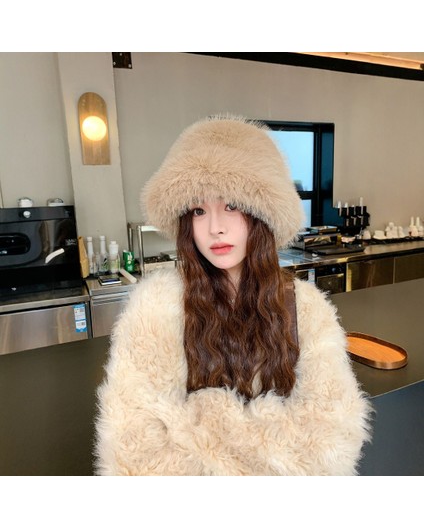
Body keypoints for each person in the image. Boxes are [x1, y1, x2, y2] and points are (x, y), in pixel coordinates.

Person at [95, 115, 371, 476]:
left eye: (232, 206)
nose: (215, 228)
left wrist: (202, 429)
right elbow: (133, 450)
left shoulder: (305, 307)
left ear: (261, 215)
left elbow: (333, 437)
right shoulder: (157, 307)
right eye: (199, 210)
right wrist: (266, 442)